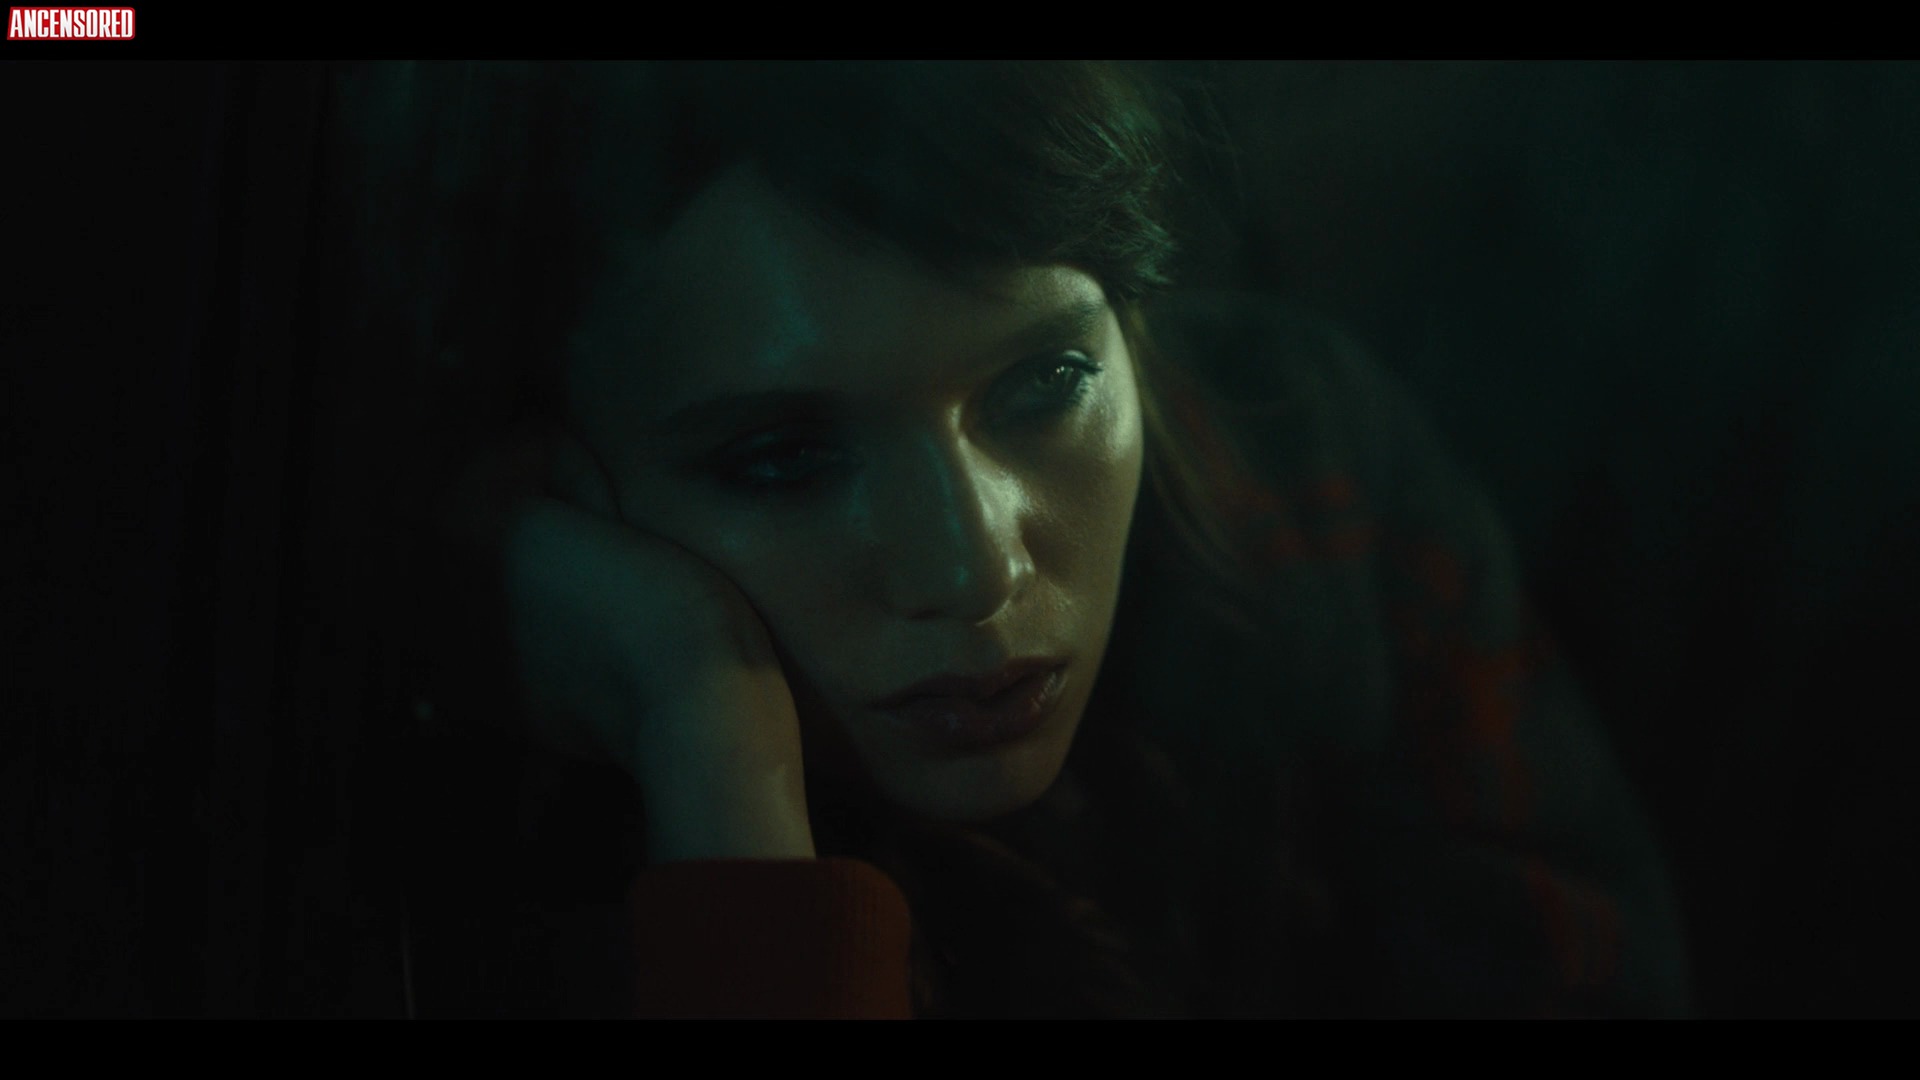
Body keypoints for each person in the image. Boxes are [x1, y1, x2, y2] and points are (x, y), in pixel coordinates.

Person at [356, 61, 1689, 1017]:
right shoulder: (452, 853)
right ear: (552, 478)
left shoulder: (1300, 452)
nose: (975, 569)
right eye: (781, 461)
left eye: (1045, 384)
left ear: (1131, 326)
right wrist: (705, 729)